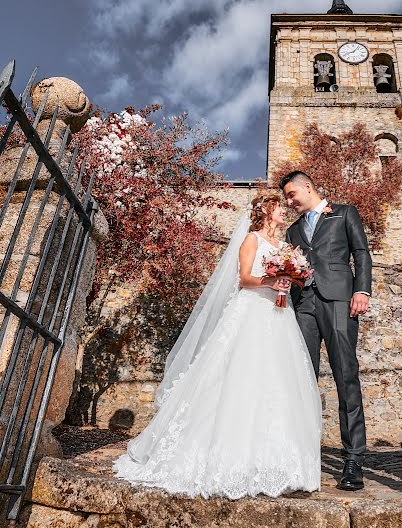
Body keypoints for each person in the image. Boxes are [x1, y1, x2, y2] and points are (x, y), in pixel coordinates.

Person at [113, 193, 322, 499]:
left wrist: (290, 278)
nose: (284, 211)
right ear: (266, 210)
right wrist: (270, 281)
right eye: (279, 207)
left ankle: (279, 462)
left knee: (277, 380)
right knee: (238, 375)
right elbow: (244, 279)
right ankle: (228, 456)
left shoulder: (285, 247)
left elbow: (288, 275)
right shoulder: (252, 239)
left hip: (279, 314)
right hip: (252, 311)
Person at [280, 171, 371, 491]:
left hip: (338, 300)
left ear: (308, 187)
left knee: (346, 374)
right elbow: (290, 268)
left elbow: (360, 253)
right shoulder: (292, 230)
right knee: (302, 378)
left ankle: (353, 459)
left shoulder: (345, 213)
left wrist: (362, 291)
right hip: (303, 304)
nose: (289, 201)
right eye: (286, 198)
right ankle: (302, 457)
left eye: (292, 194)